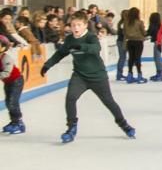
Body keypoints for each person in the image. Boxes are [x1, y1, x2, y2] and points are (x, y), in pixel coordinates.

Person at [40, 11, 135, 143]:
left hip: (98, 76)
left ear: (85, 25)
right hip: (79, 76)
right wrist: (47, 65)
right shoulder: (69, 39)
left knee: (109, 102)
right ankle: (71, 128)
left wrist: (80, 46)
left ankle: (124, 125)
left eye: (79, 25)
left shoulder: (91, 37)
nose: (76, 28)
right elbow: (60, 54)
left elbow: (96, 49)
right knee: (70, 98)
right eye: (73, 25)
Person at [1, 34, 26, 135]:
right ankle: (13, 121)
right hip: (8, 82)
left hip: (16, 81)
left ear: (3, 47)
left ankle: (19, 123)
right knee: (8, 102)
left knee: (12, 102)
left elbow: (7, 73)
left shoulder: (6, 58)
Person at [122, 7, 147, 83]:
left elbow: (124, 32)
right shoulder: (140, 22)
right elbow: (144, 33)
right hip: (138, 42)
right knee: (137, 58)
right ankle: (139, 75)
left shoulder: (126, 23)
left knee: (131, 58)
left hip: (130, 41)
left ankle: (130, 74)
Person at [147, 12, 162, 81]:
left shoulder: (153, 26)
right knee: (157, 58)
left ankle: (160, 74)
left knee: (157, 58)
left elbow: (149, 32)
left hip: (157, 42)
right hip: (158, 42)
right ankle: (159, 73)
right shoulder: (159, 25)